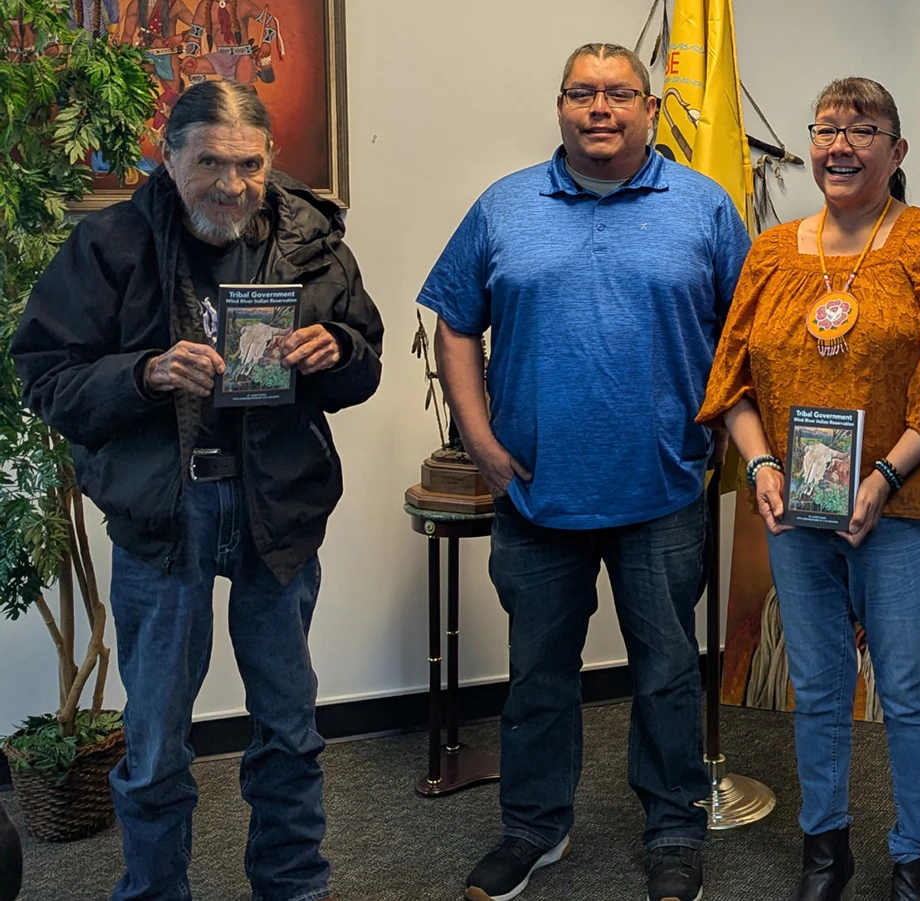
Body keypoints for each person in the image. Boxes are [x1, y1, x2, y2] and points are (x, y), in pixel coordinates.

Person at [10, 80, 383, 901]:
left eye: (248, 164)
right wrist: (143, 373)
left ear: (270, 161)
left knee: (289, 725)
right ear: (168, 155)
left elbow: (368, 360)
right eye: (209, 161)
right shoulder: (109, 243)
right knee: (156, 740)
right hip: (165, 513)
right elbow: (44, 375)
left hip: (275, 507)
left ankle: (293, 884)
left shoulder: (312, 239)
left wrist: (339, 351)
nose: (232, 185)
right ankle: (153, 891)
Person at [416, 42, 750, 901]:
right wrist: (480, 438)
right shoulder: (504, 206)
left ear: (649, 107)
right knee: (538, 673)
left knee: (669, 673)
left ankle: (674, 827)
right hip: (535, 490)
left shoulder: (705, 208)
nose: (599, 108)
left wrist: (725, 432)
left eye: (619, 94)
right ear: (560, 106)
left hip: (663, 491)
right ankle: (534, 827)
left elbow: (746, 336)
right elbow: (455, 321)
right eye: (581, 93)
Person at [699, 77, 920, 901]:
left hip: (905, 505)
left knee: (904, 687)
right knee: (820, 685)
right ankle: (825, 852)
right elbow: (734, 380)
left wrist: (885, 473)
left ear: (897, 152)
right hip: (798, 509)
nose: (840, 144)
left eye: (864, 129)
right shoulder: (771, 250)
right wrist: (759, 463)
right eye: (826, 127)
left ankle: (915, 861)